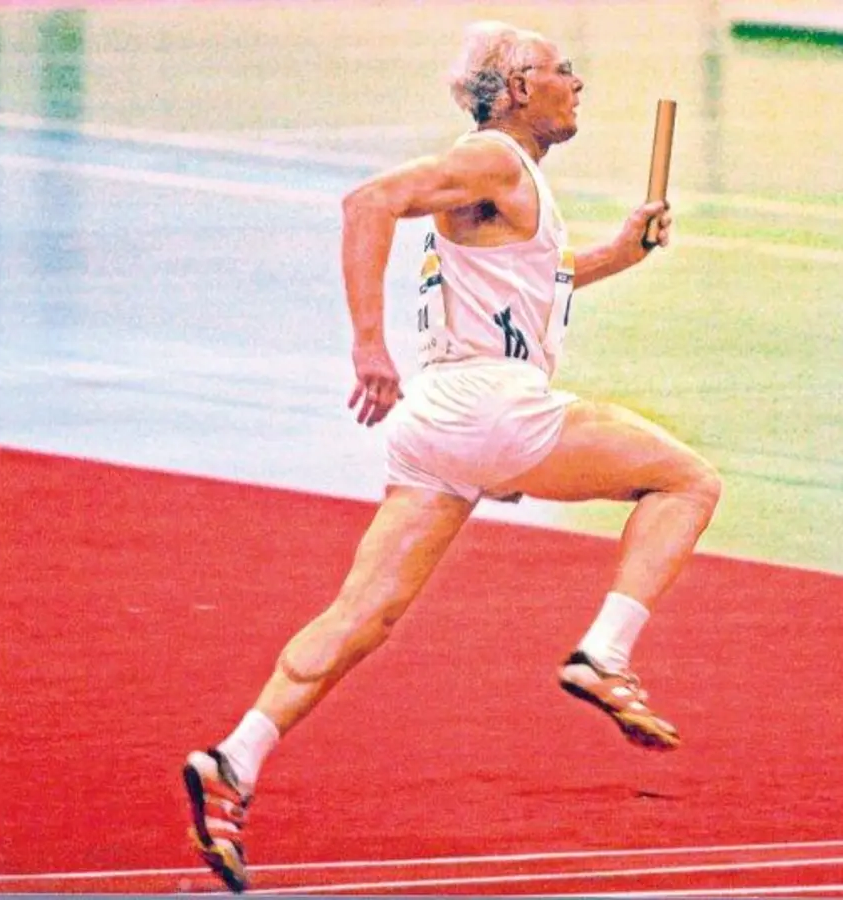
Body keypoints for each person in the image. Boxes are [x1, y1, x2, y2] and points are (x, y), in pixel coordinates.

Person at [181, 20, 723, 893]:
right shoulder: (495, 160)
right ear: (515, 88)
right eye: (561, 71)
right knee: (688, 481)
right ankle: (605, 654)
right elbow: (366, 203)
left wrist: (619, 255)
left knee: (364, 616)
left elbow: (528, 283)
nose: (576, 83)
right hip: (490, 407)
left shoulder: (505, 185)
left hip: (437, 424)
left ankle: (233, 761)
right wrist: (367, 346)